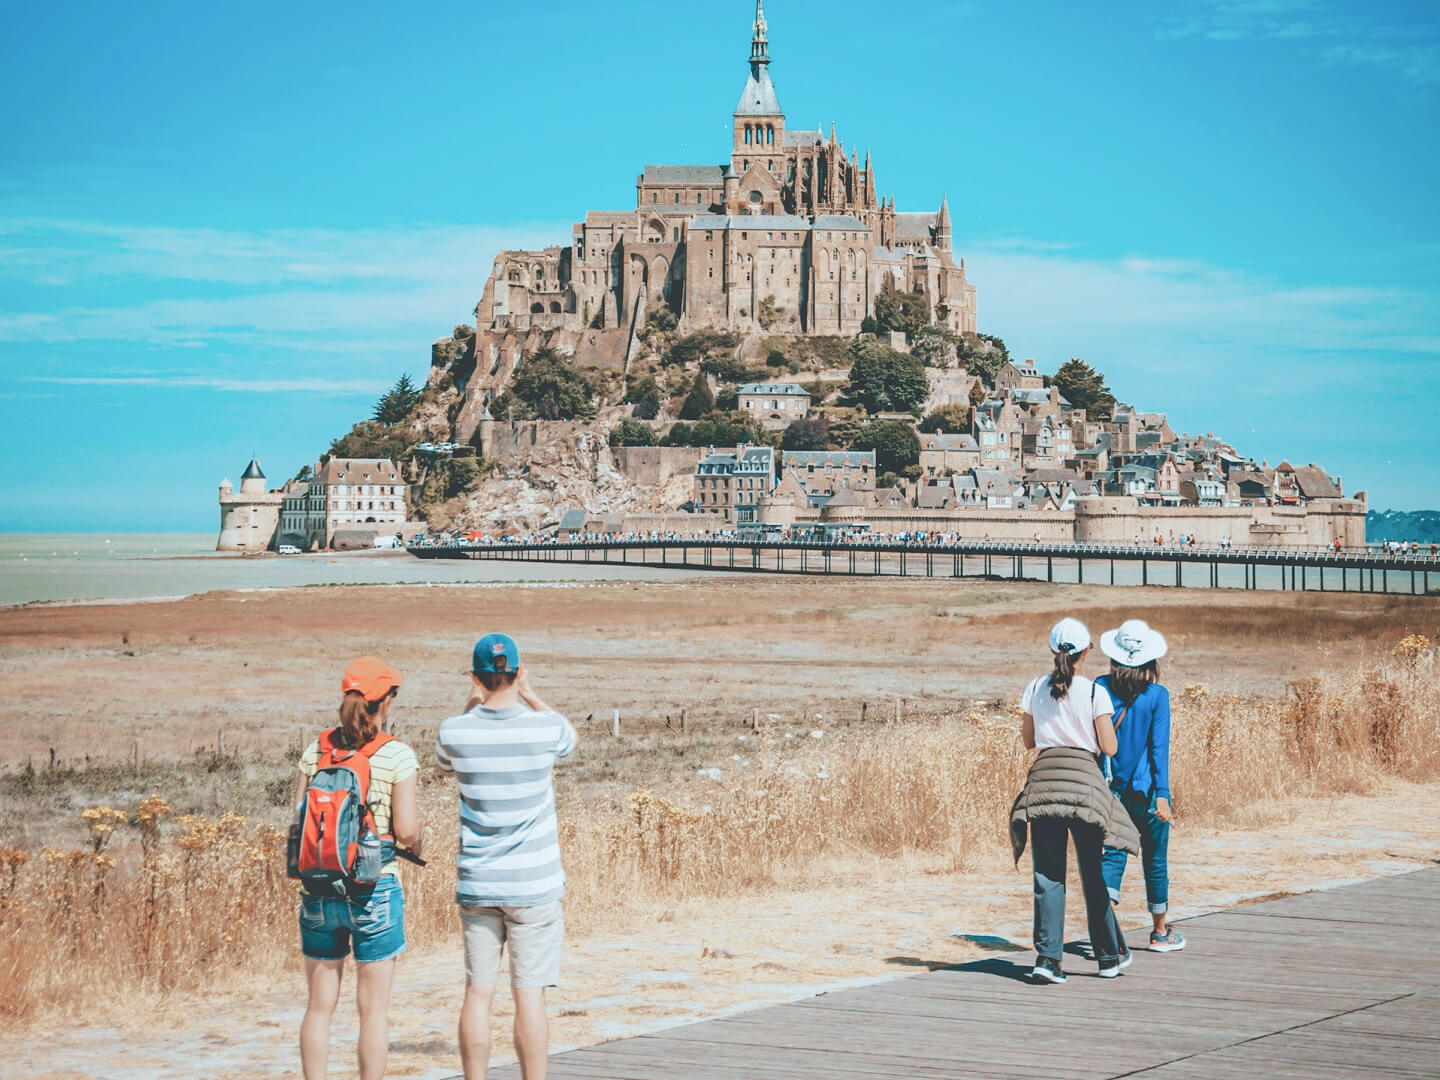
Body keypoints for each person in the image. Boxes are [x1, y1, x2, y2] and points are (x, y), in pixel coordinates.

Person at [436, 634, 578, 1080]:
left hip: (479, 884)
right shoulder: (544, 728)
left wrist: (470, 703)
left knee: (478, 992)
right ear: (517, 673)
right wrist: (531, 694)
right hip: (533, 886)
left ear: (476, 677)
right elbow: (569, 739)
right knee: (529, 995)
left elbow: (443, 764)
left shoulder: (454, 730)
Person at [295, 657, 422, 1080]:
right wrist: (418, 842)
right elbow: (406, 831)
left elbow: (299, 821)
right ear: (385, 701)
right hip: (374, 889)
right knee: (373, 1012)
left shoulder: (317, 750)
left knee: (318, 1008)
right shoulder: (397, 755)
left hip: (318, 888)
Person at [1010, 618, 1140, 984]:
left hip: (1045, 783)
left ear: (1053, 650)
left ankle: (1047, 960)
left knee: (1048, 874)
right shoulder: (1095, 692)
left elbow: (1029, 741)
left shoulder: (1035, 688)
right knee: (1092, 872)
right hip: (1084, 786)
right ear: (1086, 652)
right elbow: (1109, 747)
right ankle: (1108, 957)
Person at [1096, 620, 1185, 953]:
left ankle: (1104, 933)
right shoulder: (1157, 696)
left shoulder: (1099, 688)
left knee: (1113, 856)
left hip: (1111, 790)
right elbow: (1159, 749)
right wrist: (1163, 794)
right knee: (1155, 861)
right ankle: (1160, 932)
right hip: (1147, 791)